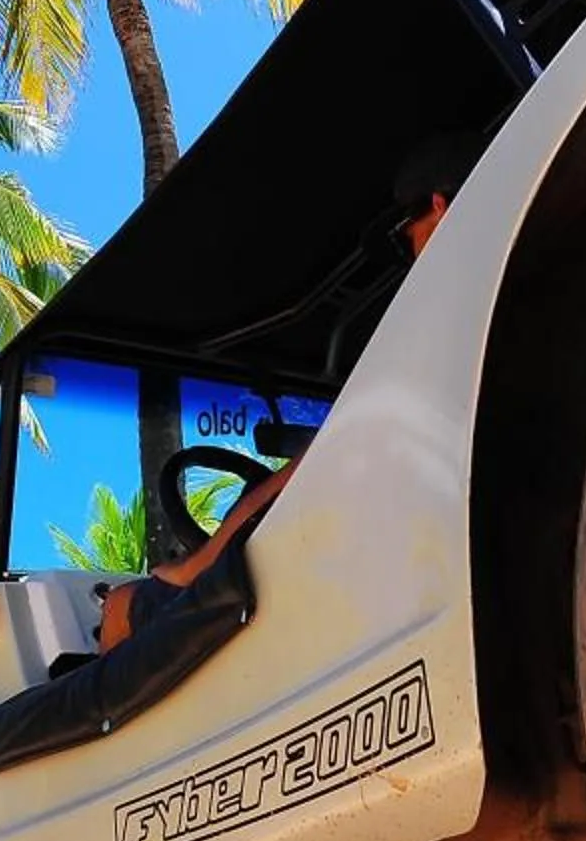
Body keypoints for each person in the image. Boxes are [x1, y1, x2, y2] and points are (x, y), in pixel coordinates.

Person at [93, 131, 480, 652]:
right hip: (406, 550)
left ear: (436, 207)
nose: (410, 253)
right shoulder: (485, 310)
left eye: (406, 233)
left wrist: (192, 568)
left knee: (120, 609)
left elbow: (324, 459)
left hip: (372, 572)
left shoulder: (435, 323)